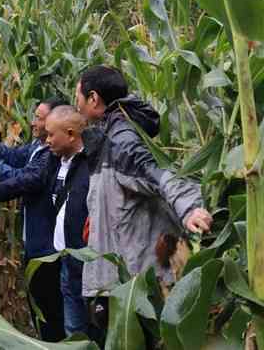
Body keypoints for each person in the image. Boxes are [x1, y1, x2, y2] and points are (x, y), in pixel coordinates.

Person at [75, 66, 213, 341]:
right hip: (127, 273)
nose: (75, 103)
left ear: (93, 98)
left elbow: (158, 175)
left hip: (135, 276)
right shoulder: (110, 135)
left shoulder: (121, 139)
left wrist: (190, 208)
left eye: (77, 95)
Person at [0, 98, 68, 342]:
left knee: (49, 313)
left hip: (46, 251)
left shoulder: (50, 156)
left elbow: (19, 179)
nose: (33, 122)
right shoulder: (38, 146)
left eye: (39, 118)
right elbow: (13, 157)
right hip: (35, 247)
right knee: (40, 311)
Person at [43, 105, 100, 337]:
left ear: (70, 134)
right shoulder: (59, 162)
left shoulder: (91, 166)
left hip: (86, 263)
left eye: (50, 134)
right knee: (73, 330)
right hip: (67, 259)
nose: (46, 140)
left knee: (91, 327)